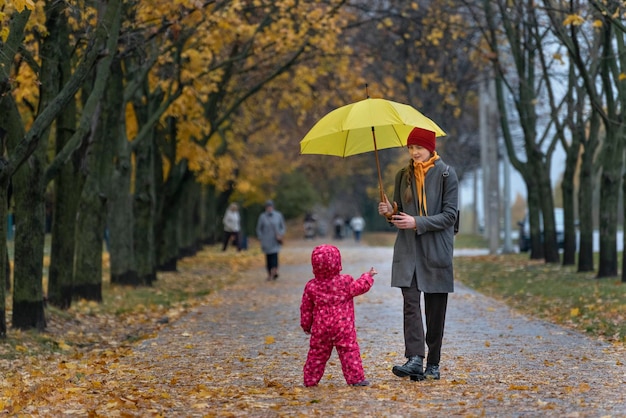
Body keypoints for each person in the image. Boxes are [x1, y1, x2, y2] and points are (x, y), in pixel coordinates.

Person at [378, 126, 458, 382]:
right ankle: (414, 358)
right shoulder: (403, 175)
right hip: (409, 249)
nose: (414, 152)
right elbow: (400, 212)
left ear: (430, 148)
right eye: (411, 148)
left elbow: (450, 216)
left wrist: (417, 222)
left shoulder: (446, 174)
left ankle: (433, 362)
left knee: (435, 309)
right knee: (410, 303)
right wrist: (390, 212)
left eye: (419, 148)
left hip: (436, 248)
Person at [300, 244, 377, 387]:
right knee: (349, 351)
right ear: (338, 263)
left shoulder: (311, 286)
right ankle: (356, 379)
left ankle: (310, 380)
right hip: (343, 326)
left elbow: (306, 308)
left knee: (317, 353)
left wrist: (306, 325)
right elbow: (360, 287)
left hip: (320, 328)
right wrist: (368, 276)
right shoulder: (345, 282)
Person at [256, 200, 286, 280]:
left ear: (273, 207)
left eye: (270, 206)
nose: (269, 208)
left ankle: (274, 271)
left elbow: (283, 227)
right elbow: (259, 229)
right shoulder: (262, 217)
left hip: (275, 240)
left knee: (275, 256)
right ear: (266, 208)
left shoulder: (278, 215)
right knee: (268, 257)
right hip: (266, 240)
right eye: (267, 206)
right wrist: (260, 237)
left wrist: (280, 234)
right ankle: (269, 274)